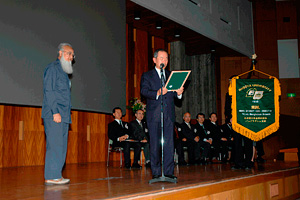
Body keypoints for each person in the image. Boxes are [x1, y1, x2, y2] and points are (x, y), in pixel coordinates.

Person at [140, 49, 184, 180]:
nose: (164, 61)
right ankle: (156, 172)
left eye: (166, 59)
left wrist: (180, 92)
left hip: (169, 115)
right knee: (154, 144)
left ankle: (169, 172)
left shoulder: (171, 75)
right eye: (161, 58)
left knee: (169, 144)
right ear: (154, 60)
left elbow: (176, 96)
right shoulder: (147, 75)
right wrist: (158, 92)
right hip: (154, 115)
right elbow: (144, 91)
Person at [42, 43, 75, 185]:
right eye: (69, 54)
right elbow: (49, 92)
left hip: (64, 115)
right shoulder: (52, 68)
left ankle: (57, 175)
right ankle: (51, 176)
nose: (71, 57)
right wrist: (55, 112)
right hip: (54, 114)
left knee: (61, 146)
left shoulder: (63, 72)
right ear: (60, 53)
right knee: (54, 145)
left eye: (73, 55)